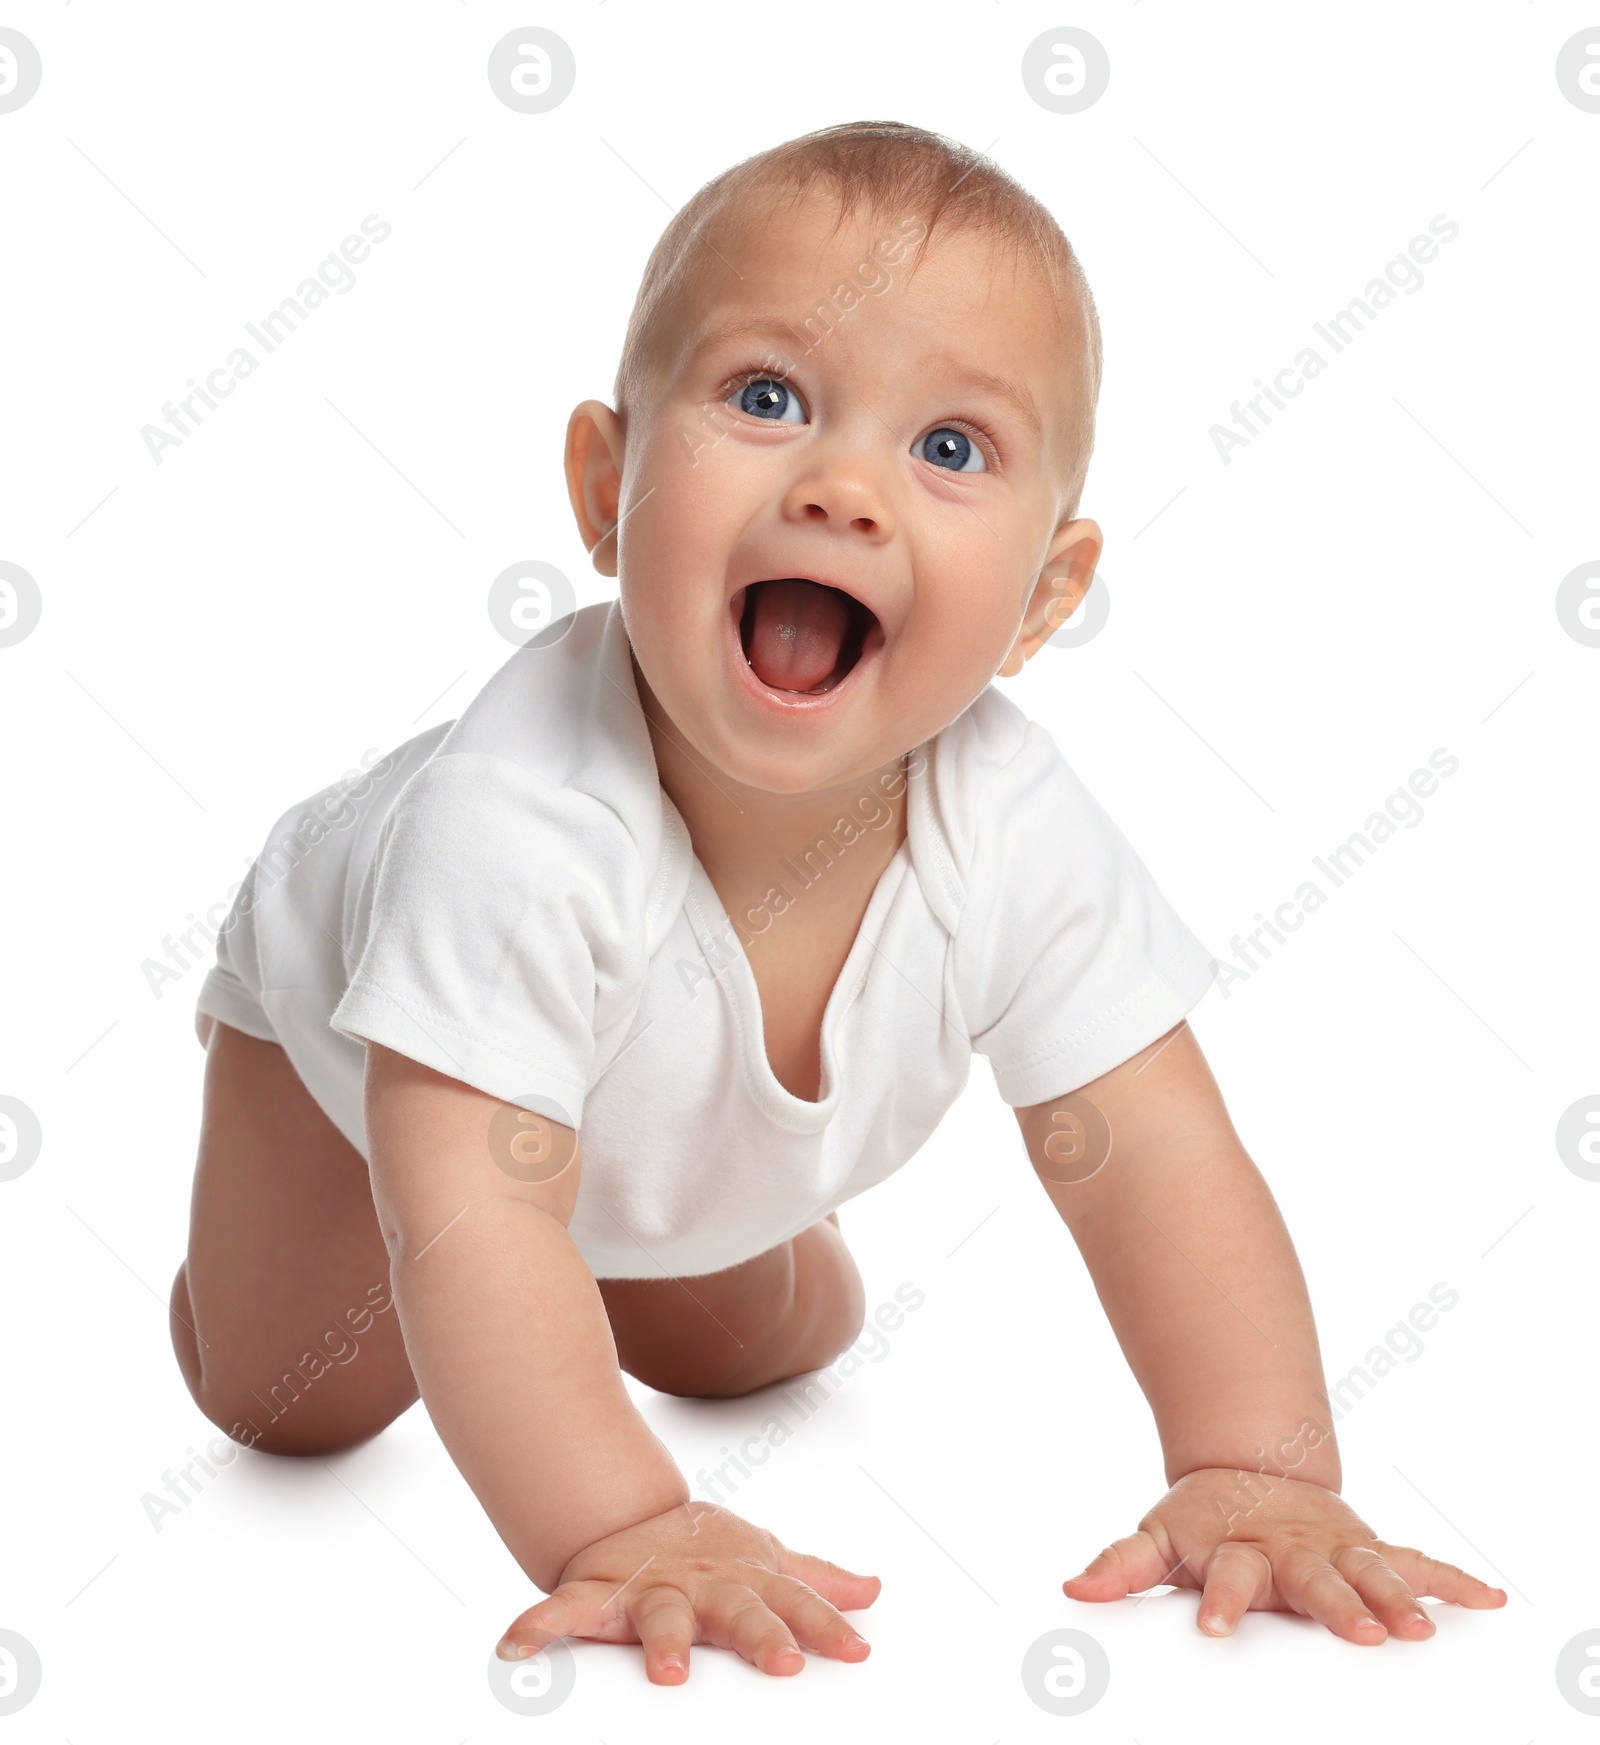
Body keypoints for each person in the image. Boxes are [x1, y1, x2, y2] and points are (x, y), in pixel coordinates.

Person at [167, 119, 1505, 1685]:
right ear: (607, 487)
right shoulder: (513, 828)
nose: (846, 487)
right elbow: (470, 1209)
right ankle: (546, 1273)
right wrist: (617, 1519)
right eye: (765, 398)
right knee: (295, 1396)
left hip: (652, 1139)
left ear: (1043, 601)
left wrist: (1263, 1464)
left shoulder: (1008, 820)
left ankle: (651, 1258)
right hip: (355, 1059)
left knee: (750, 1349)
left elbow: (1153, 1150)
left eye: (950, 449)